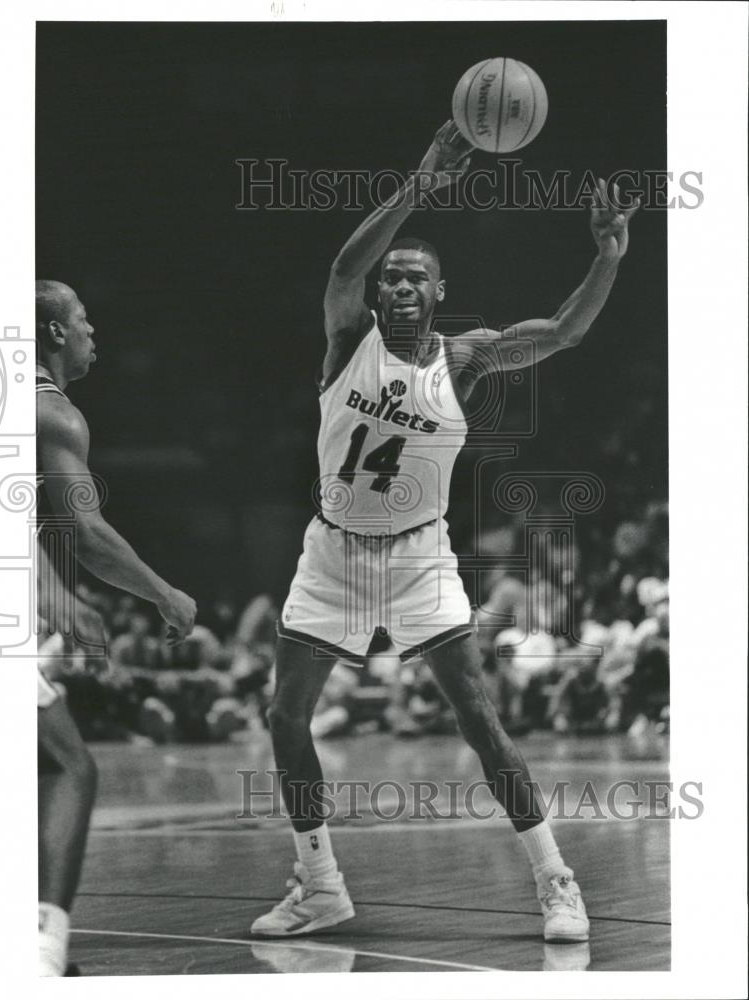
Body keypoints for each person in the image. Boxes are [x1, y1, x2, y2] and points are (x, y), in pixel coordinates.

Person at [250, 121, 639, 943]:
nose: (394, 285)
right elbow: (342, 266)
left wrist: (605, 257)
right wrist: (424, 180)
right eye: (389, 277)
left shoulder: (462, 360)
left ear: (437, 291)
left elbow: (563, 332)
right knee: (285, 718)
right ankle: (320, 884)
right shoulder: (344, 341)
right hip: (333, 552)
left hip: (419, 555)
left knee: (477, 717)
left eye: (413, 278)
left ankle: (555, 879)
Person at [35, 280, 197, 975]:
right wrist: (165, 595)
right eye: (81, 319)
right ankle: (41, 953)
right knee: (67, 766)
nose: (92, 330)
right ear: (52, 334)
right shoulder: (51, 414)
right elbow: (88, 533)